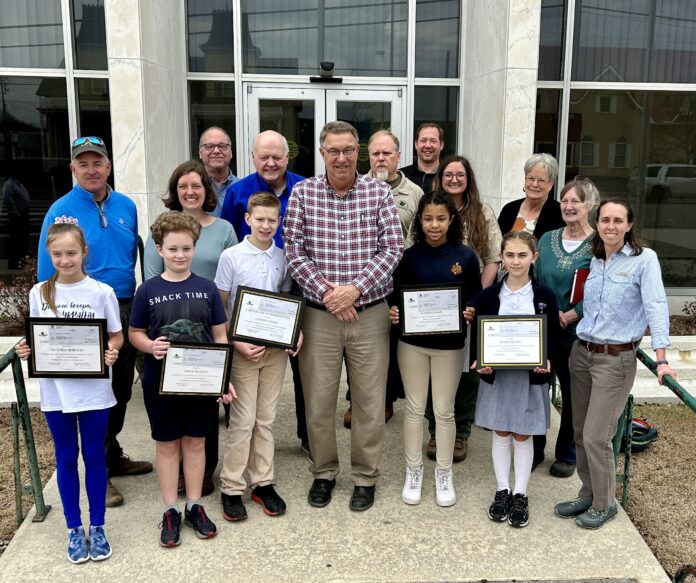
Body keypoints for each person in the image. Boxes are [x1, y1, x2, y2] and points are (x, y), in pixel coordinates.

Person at [284, 121, 403, 512]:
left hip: (369, 314)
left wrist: (355, 290)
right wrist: (327, 293)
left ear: (358, 152)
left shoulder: (378, 192)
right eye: (333, 150)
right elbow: (294, 251)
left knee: (369, 402)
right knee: (318, 401)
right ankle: (324, 472)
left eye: (348, 150)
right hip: (319, 316)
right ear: (322, 153)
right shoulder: (303, 193)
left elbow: (392, 248)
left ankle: (365, 477)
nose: (341, 158)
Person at [37, 136, 151, 508]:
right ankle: (97, 470)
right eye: (83, 164)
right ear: (72, 168)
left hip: (123, 304)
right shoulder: (60, 210)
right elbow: (46, 271)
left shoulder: (125, 206)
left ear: (108, 166)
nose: (91, 170)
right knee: (93, 393)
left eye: (97, 162)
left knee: (120, 387)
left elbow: (134, 253)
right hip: (81, 312)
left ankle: (110, 454)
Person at [554, 198, 676, 530]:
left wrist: (661, 358)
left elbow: (656, 305)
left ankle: (605, 503)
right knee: (581, 431)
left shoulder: (644, 260)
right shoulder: (595, 259)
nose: (610, 226)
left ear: (629, 225)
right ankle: (588, 493)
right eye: (605, 220)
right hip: (582, 353)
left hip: (615, 359)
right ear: (598, 224)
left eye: (617, 220)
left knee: (597, 435)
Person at [15, 223, 122, 563]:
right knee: (65, 458)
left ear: (84, 253)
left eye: (71, 253)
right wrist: (26, 348)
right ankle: (74, 528)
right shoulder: (39, 292)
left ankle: (98, 525)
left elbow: (116, 335)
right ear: (50, 255)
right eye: (58, 254)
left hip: (94, 390)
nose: (65, 260)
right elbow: (38, 335)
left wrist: (111, 351)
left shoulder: (102, 292)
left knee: (94, 456)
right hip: (57, 391)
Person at [129, 211, 234, 547]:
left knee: (196, 442)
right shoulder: (147, 290)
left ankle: (194, 505)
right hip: (160, 382)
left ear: (194, 249)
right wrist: (149, 345)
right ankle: (170, 509)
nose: (179, 255)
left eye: (186, 248)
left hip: (200, 382)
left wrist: (223, 378)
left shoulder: (207, 289)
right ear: (159, 249)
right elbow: (134, 332)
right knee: (166, 444)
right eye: (172, 249)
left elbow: (220, 336)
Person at [143, 160, 238, 495]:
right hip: (171, 330)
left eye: (196, 185)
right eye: (183, 186)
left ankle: (204, 472)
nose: (190, 192)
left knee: (205, 404)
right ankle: (178, 474)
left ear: (206, 189)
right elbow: (152, 278)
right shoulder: (162, 229)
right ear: (175, 191)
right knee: (173, 405)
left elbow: (233, 276)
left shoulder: (224, 229)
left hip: (211, 326)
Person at [220, 129, 309, 456]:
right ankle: (239, 448)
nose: (270, 162)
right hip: (247, 298)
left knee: (299, 371)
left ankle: (307, 437)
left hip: (292, 285)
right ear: (253, 158)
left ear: (287, 157)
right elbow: (230, 237)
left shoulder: (305, 188)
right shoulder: (237, 192)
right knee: (243, 396)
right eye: (264, 157)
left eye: (277, 157)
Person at [389, 191, 481, 507]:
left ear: (451, 220)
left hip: (450, 347)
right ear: (419, 220)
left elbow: (475, 295)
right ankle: (413, 470)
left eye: (441, 218)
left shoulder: (465, 257)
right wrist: (393, 311)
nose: (434, 225)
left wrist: (470, 309)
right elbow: (395, 296)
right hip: (412, 345)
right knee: (415, 409)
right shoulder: (408, 257)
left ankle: (444, 473)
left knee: (444, 410)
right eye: (428, 218)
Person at [216, 193, 300, 522]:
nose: (266, 225)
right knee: (243, 420)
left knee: (265, 419)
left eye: (272, 220)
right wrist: (235, 341)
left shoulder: (283, 257)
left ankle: (263, 482)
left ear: (279, 222)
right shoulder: (231, 257)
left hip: (274, 351)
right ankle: (231, 486)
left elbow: (286, 301)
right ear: (248, 218)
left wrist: (294, 331)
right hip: (243, 350)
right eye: (260, 219)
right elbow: (220, 306)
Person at [471, 231, 560, 528]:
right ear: (501, 257)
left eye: (522, 255)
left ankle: (521, 493)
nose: (516, 261)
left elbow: (552, 337)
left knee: (522, 433)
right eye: (510, 255)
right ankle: (502, 490)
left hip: (529, 376)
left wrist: (547, 359)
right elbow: (480, 334)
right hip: (499, 375)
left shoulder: (545, 297)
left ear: (534, 257)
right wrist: (480, 360)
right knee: (500, 431)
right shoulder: (488, 296)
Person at [342, 129, 424, 429]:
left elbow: (417, 239)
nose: (380, 158)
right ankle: (355, 399)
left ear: (398, 157)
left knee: (388, 344)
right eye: (375, 153)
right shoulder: (355, 187)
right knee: (355, 342)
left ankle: (385, 400)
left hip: (398, 280)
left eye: (386, 153)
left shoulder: (414, 193)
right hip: (360, 282)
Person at [425, 155, 503, 463]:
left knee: (468, 370)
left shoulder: (482, 212)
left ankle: (461, 431)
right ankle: (435, 429)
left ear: (468, 179)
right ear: (440, 178)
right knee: (433, 368)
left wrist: (477, 296)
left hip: (471, 303)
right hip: (435, 304)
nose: (454, 179)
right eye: (448, 174)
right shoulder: (430, 208)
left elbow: (494, 258)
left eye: (460, 174)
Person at [535, 176, 599, 478]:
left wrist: (574, 314)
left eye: (576, 200)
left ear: (590, 204)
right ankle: (534, 447)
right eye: (565, 200)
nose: (569, 206)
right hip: (543, 328)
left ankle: (566, 453)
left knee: (574, 395)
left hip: (576, 333)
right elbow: (534, 279)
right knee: (536, 390)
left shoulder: (599, 244)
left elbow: (602, 289)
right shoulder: (546, 239)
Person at [497, 153, 564, 239]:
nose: (535, 184)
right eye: (531, 178)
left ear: (551, 184)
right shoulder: (509, 209)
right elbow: (497, 243)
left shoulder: (559, 213)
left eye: (541, 180)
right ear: (525, 179)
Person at [198, 126, 238, 217]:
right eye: (209, 146)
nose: (216, 151)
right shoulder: (191, 189)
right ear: (200, 153)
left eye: (222, 146)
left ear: (231, 153)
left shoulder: (242, 188)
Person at [399, 123, 444, 193]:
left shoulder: (448, 177)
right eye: (423, 140)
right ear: (416, 144)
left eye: (433, 141)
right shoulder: (401, 177)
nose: (428, 145)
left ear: (441, 145)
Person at [2, 175, 30, 269]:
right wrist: (16, 213)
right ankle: (14, 263)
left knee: (23, 238)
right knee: (16, 239)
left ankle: (22, 261)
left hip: (24, 214)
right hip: (17, 215)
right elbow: (8, 200)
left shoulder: (19, 183)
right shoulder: (9, 184)